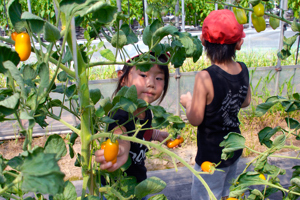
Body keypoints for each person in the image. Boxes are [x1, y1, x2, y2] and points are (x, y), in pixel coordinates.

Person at [180, 9, 251, 200]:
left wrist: (188, 102)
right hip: (233, 149)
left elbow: (195, 118)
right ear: (238, 43)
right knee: (228, 195)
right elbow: (246, 101)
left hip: (210, 157)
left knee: (206, 195)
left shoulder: (205, 76)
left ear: (204, 42)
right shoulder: (243, 69)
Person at [95, 52, 177, 199]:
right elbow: (120, 132)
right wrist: (120, 146)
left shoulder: (146, 111)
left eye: (158, 78)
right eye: (144, 75)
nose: (151, 83)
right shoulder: (120, 111)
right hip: (115, 187)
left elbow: (143, 132)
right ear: (122, 78)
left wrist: (157, 135)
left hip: (138, 183)